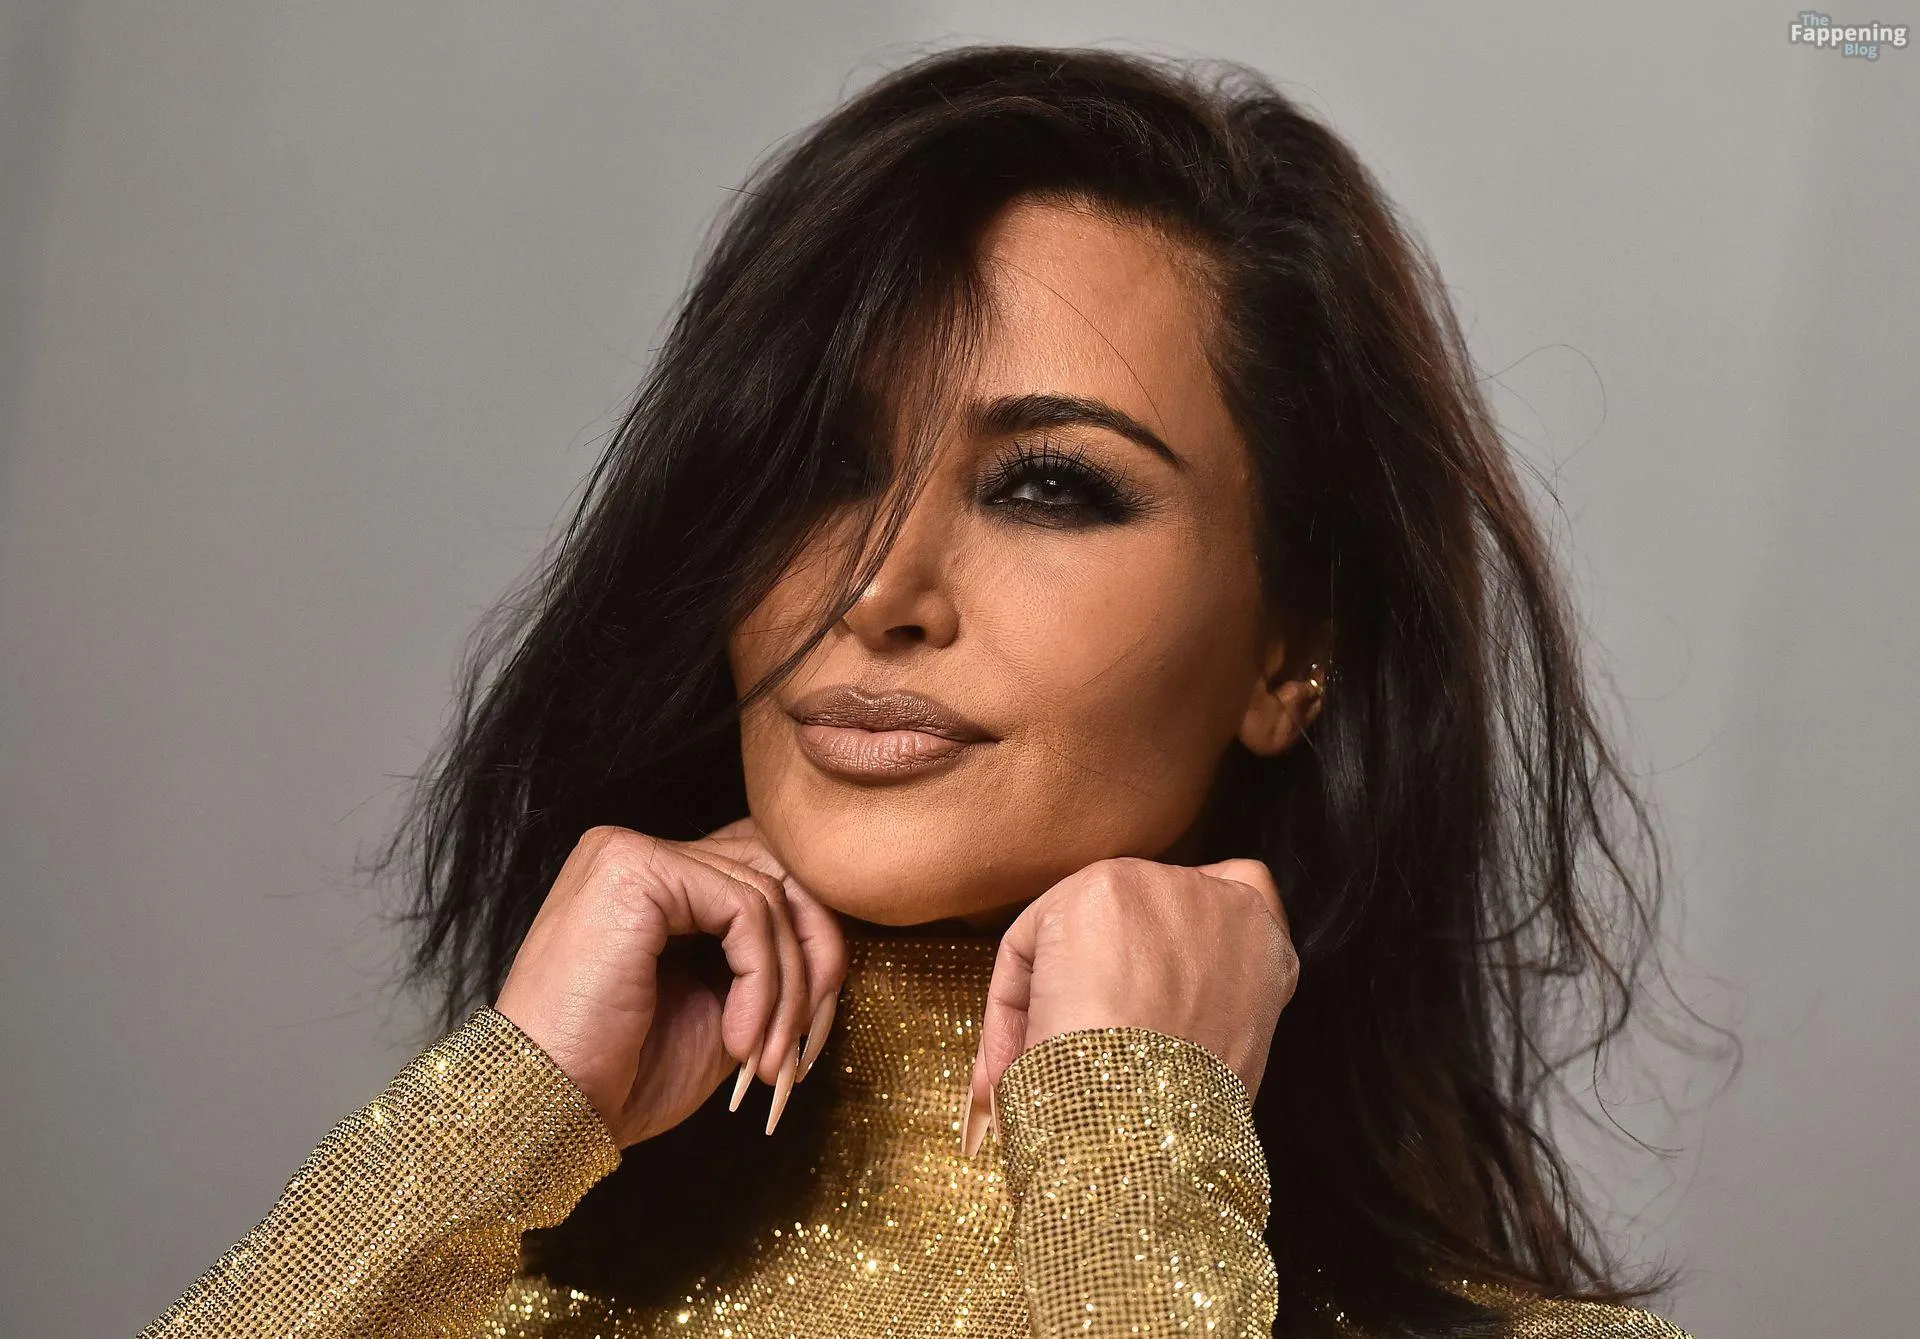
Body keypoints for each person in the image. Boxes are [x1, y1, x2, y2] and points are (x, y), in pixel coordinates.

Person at [137, 44, 1697, 1339]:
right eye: (818, 466)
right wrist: (502, 1112)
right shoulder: (473, 1282)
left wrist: (1134, 1137)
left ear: (1291, 650)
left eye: (1049, 485)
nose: (875, 590)